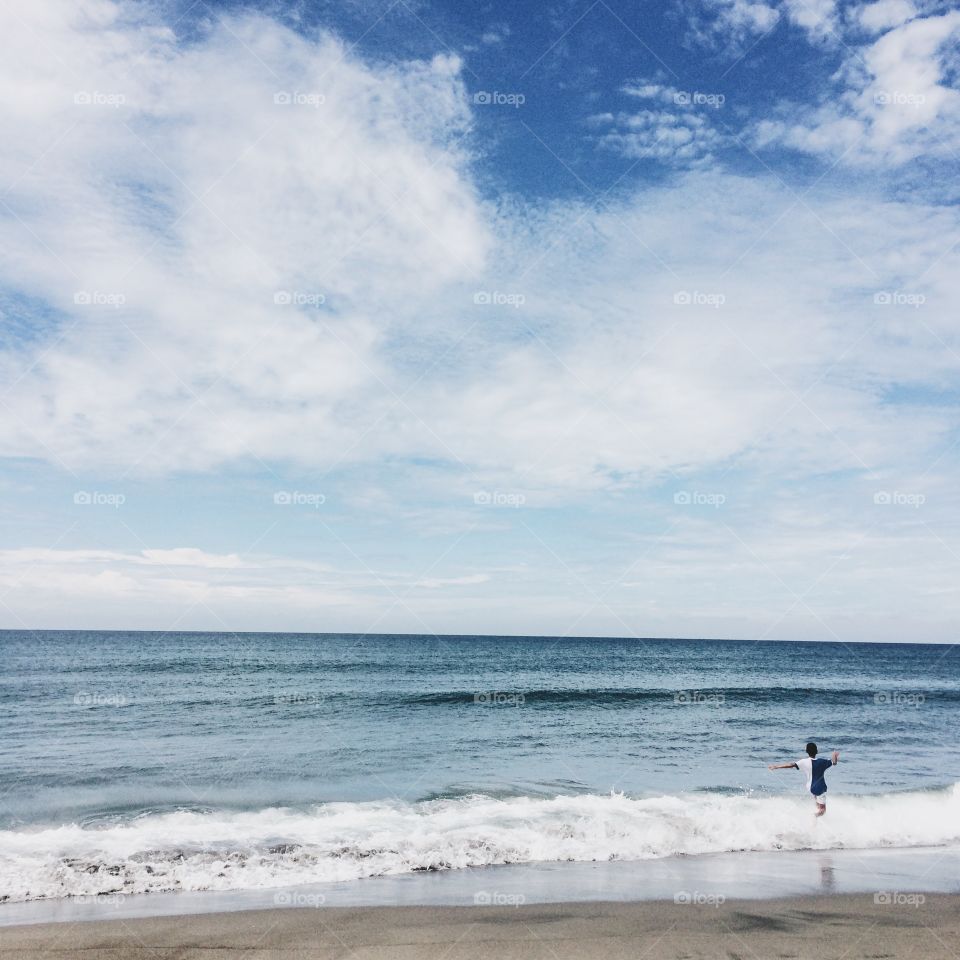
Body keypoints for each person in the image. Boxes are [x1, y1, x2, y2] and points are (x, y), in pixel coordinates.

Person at [768, 742, 840, 817]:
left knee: (817, 800)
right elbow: (834, 762)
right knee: (823, 811)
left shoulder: (803, 762)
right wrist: (834, 755)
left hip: (810, 787)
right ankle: (814, 816)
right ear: (817, 751)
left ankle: (814, 823)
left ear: (806, 751)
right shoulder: (822, 761)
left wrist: (776, 766)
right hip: (820, 788)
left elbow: (790, 765)